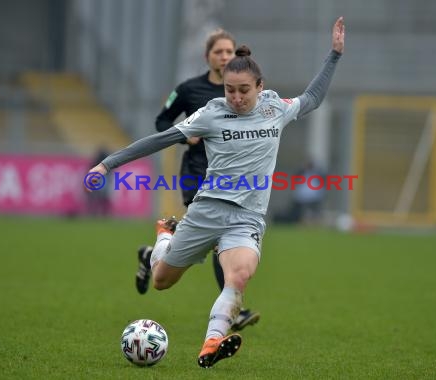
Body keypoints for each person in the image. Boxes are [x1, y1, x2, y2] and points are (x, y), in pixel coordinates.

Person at [85, 16, 345, 368]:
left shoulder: (275, 108)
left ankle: (211, 344)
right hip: (206, 211)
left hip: (246, 219)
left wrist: (334, 54)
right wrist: (108, 164)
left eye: (244, 90)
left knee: (238, 277)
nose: (236, 97)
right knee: (161, 280)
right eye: (229, 90)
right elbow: (162, 138)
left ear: (259, 86)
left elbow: (313, 97)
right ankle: (164, 236)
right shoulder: (211, 113)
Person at [135, 28, 261, 332]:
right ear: (208, 57)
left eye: (229, 51)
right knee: (218, 240)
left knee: (220, 241)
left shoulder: (239, 90)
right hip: (197, 173)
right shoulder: (189, 89)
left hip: (231, 179)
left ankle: (151, 255)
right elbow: (163, 121)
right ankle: (233, 308)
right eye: (218, 51)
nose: (224, 56)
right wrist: (187, 138)